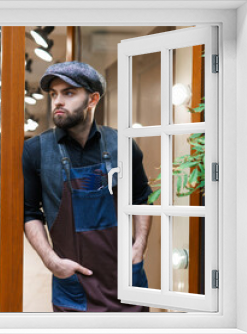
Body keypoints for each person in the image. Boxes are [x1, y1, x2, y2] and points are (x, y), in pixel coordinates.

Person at [23, 61, 153, 312]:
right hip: (73, 285)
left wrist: (139, 247)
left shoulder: (122, 144)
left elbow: (141, 197)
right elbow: (30, 213)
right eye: (54, 94)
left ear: (92, 100)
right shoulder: (36, 150)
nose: (57, 101)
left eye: (68, 93)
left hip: (126, 278)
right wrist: (51, 261)